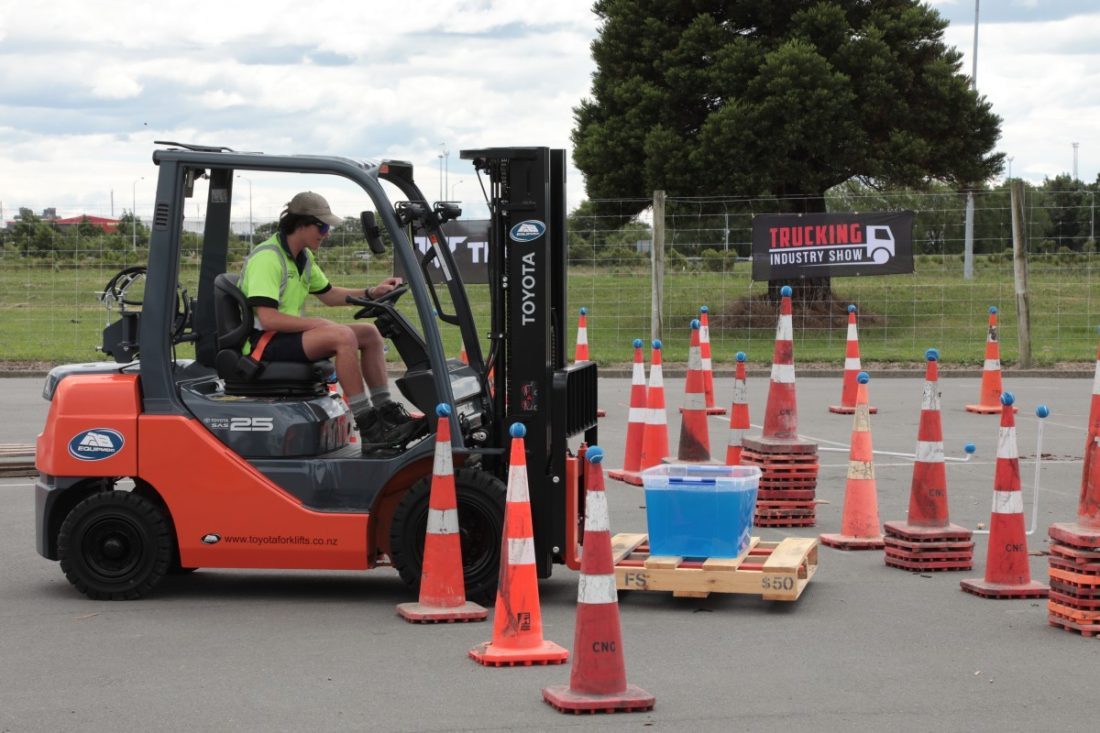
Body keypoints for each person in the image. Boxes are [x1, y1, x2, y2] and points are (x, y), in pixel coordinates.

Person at [239, 191, 425, 451]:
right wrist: (317, 323)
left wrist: (373, 292)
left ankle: (387, 413)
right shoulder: (268, 258)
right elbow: (268, 318)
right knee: (342, 336)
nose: (326, 233)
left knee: (369, 334)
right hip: (263, 344)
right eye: (322, 226)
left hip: (285, 336)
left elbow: (329, 294)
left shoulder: (303, 257)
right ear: (301, 223)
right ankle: (369, 424)